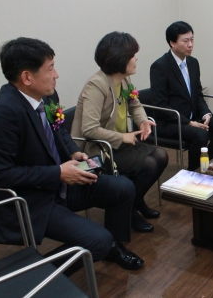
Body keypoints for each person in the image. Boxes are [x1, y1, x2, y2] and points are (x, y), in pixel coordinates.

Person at [0, 37, 143, 273]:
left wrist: (74, 153)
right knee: (97, 241)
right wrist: (58, 173)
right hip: (35, 199)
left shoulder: (47, 97)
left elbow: (59, 132)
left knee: (123, 188)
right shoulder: (4, 112)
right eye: (50, 68)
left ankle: (113, 247)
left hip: (61, 183)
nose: (57, 75)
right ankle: (34, 278)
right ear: (26, 77)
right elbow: (0, 175)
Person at [71, 32, 168, 233]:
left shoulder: (124, 80)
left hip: (118, 144)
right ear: (119, 58)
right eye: (132, 54)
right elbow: (89, 129)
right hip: (96, 150)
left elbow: (135, 104)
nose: (136, 58)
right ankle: (131, 209)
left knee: (161, 155)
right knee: (149, 164)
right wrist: (122, 136)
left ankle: (134, 202)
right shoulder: (96, 85)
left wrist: (143, 121)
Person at [148, 21, 213, 171]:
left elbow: (198, 94)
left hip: (193, 117)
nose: (190, 44)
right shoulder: (160, 67)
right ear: (172, 43)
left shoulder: (193, 63)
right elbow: (160, 106)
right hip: (170, 122)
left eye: (192, 39)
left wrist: (206, 113)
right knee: (200, 134)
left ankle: (210, 164)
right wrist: (188, 123)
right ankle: (194, 171)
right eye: (185, 40)